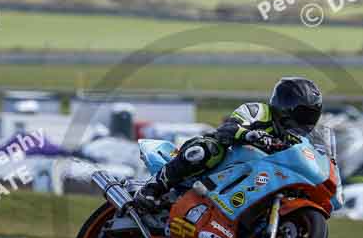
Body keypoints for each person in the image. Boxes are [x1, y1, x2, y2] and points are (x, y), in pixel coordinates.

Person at [129, 76, 323, 209]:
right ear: (286, 106)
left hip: (256, 179)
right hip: (224, 163)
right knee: (207, 149)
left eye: (310, 115)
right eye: (302, 114)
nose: (306, 120)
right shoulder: (258, 111)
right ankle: (152, 189)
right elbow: (227, 129)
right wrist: (251, 135)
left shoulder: (299, 140)